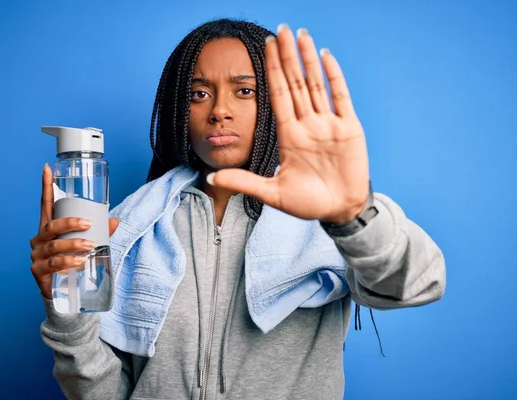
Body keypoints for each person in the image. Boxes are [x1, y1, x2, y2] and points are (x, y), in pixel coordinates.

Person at [29, 18, 446, 400]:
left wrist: (353, 214)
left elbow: (418, 284)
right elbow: (103, 393)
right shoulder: (130, 226)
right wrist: (66, 312)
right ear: (179, 109)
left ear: (271, 102)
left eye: (244, 91)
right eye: (199, 93)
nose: (219, 111)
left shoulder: (327, 218)